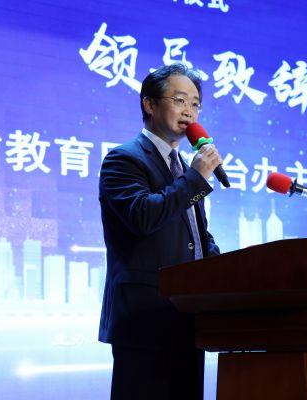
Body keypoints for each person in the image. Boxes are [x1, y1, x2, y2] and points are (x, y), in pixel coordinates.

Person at [98, 63, 222, 400]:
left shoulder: (183, 167)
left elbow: (196, 235)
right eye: (179, 100)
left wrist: (225, 269)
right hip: (144, 319)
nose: (189, 111)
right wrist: (195, 179)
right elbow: (143, 216)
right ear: (149, 104)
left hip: (187, 317)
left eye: (195, 104)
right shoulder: (124, 159)